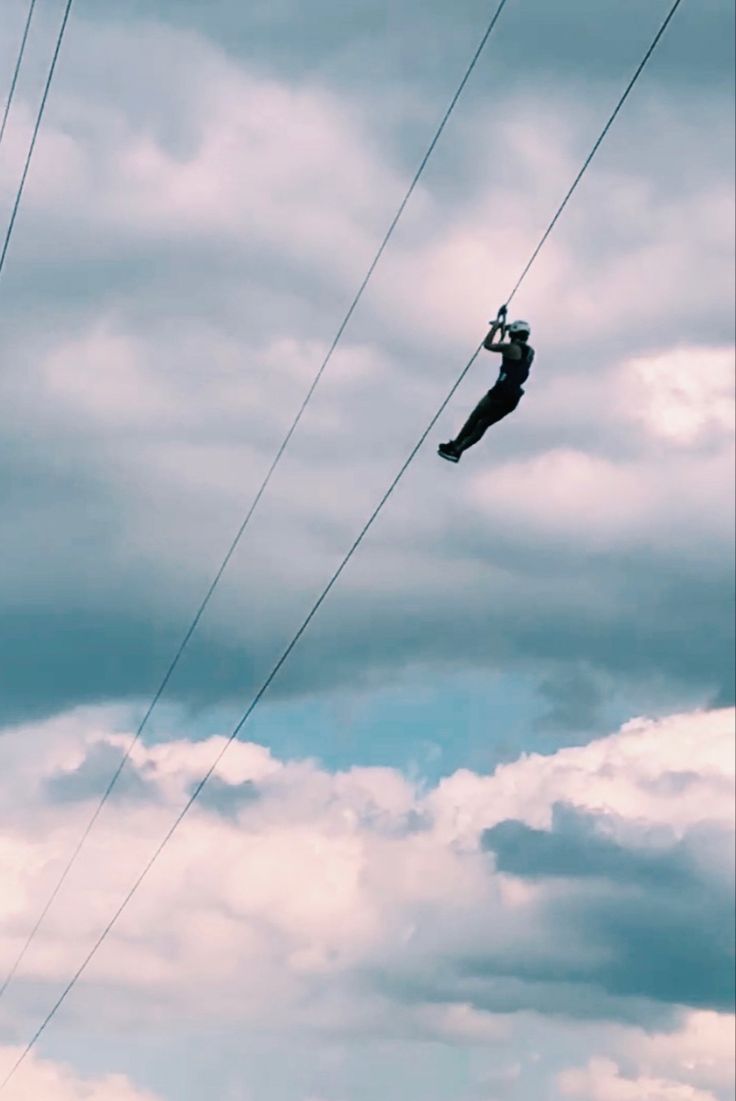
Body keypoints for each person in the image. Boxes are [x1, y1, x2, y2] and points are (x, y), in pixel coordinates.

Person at [438, 315, 534, 462]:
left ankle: (455, 445)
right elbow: (514, 340)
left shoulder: (509, 347)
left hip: (500, 391)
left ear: (512, 335)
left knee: (475, 417)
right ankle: (458, 450)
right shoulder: (530, 352)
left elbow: (488, 345)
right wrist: (506, 327)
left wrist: (495, 328)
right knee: (483, 424)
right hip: (514, 397)